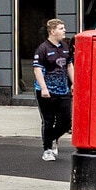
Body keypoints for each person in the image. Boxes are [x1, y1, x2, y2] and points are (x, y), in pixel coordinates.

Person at [31, 19, 73, 161]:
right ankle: (47, 149)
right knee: (48, 121)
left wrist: (74, 83)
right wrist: (43, 88)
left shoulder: (65, 47)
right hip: (46, 91)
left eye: (64, 27)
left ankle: (53, 138)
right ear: (53, 31)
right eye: (61, 28)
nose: (64, 30)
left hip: (63, 90)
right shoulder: (42, 49)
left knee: (66, 121)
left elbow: (69, 65)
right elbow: (37, 70)